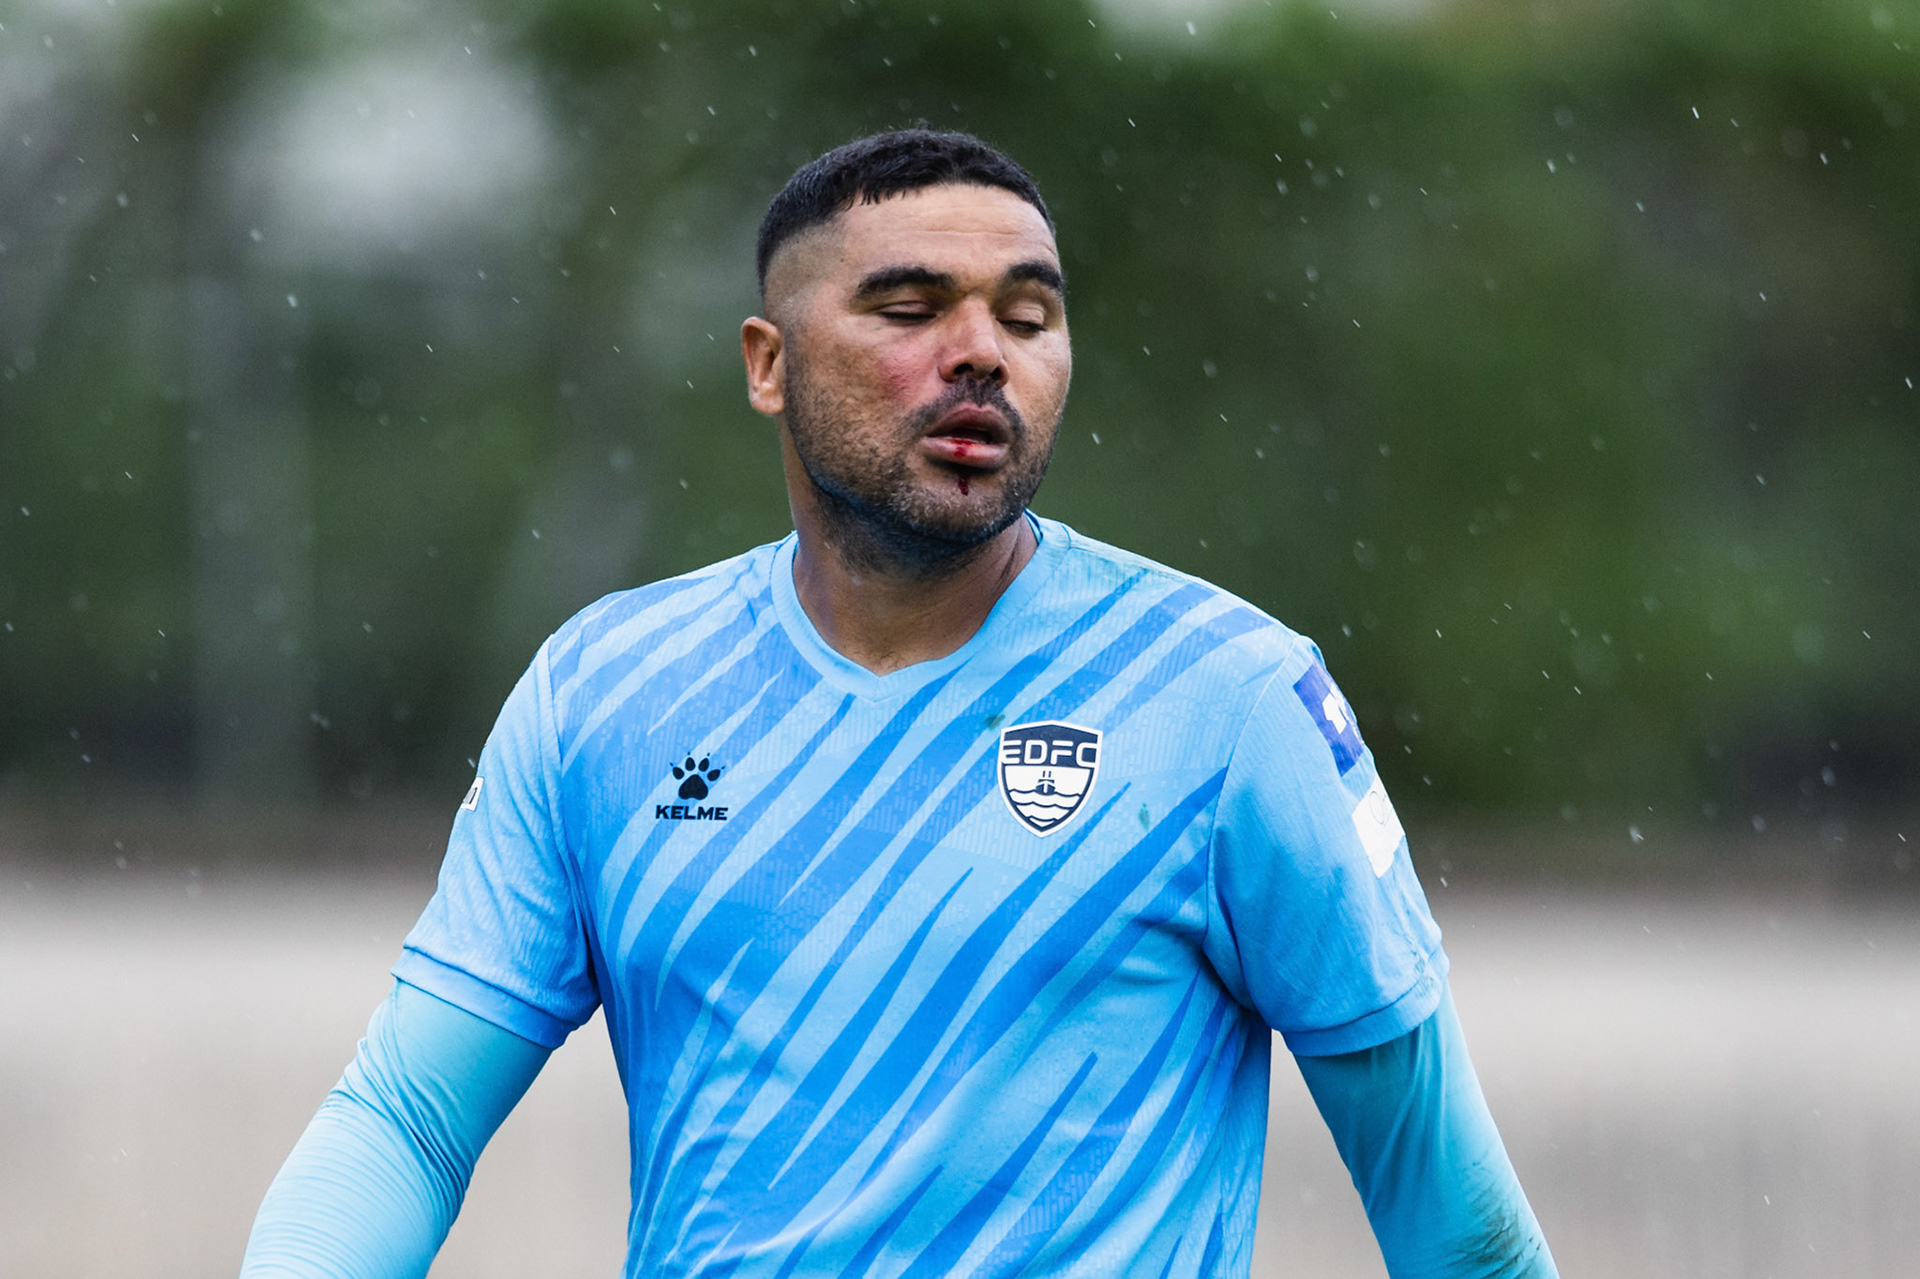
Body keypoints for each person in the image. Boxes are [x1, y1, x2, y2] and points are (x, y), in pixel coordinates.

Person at [241, 129, 1556, 1278]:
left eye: (1027, 316)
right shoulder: (604, 694)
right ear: (769, 363)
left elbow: (1450, 1219)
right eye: (911, 306)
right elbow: (409, 1122)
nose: (980, 354)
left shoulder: (1226, 698)